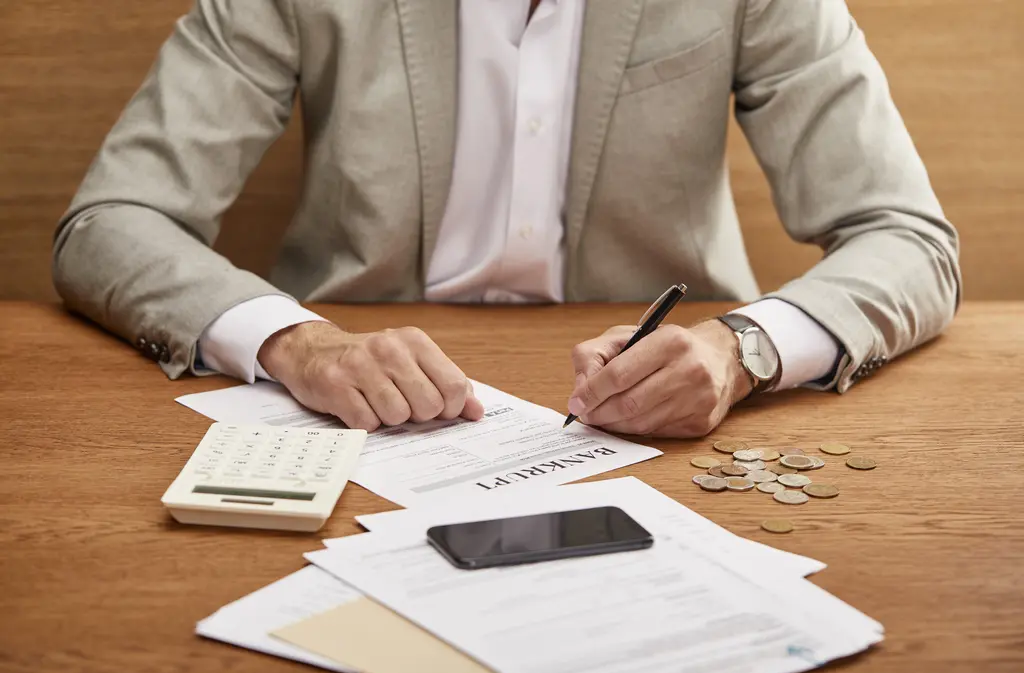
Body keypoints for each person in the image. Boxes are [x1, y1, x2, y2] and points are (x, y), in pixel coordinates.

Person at [52, 0, 961, 438]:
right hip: (353, 417)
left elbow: (908, 238)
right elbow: (112, 222)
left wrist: (740, 348)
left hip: (663, 422)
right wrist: (299, 344)